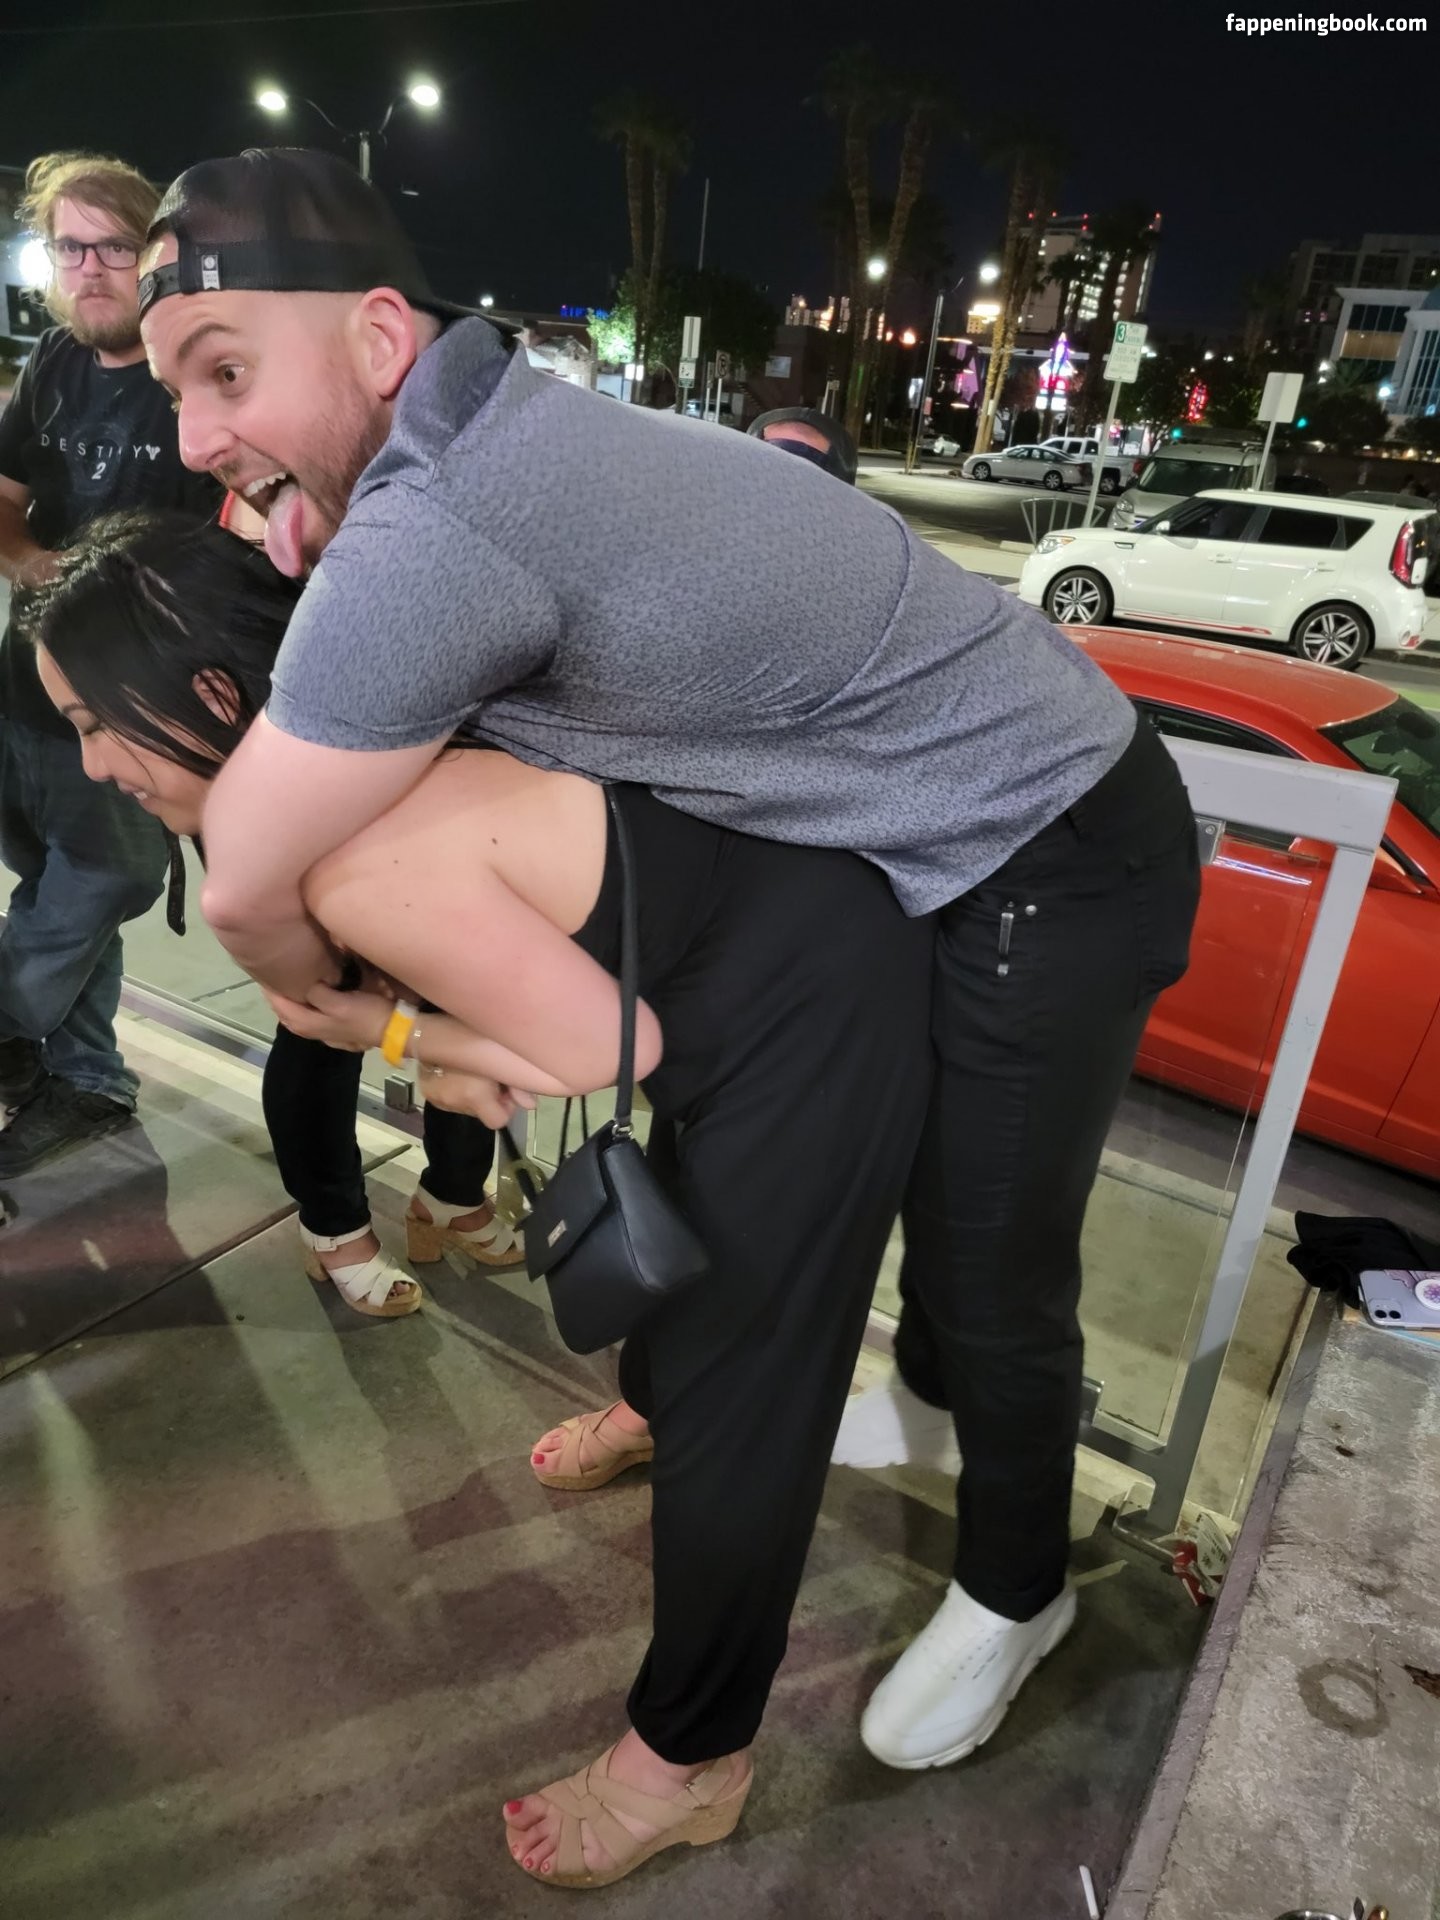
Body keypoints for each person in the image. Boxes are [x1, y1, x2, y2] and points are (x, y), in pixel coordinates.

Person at [139, 150, 1197, 1804]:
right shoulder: (485, 436)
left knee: (993, 1253)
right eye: (173, 393)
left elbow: (249, 879)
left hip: (1052, 841)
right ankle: (923, 1410)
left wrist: (334, 1011)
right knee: (906, 1194)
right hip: (901, 847)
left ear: (378, 338)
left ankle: (1018, 1586)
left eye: (225, 372)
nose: (197, 437)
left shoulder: (447, 514)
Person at [34, 508, 935, 1889]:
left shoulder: (348, 853)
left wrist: (385, 1034)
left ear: (212, 693)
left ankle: (691, 1761)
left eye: (97, 722)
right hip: (737, 982)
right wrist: (443, 1040)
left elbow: (594, 1051)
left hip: (817, 1016)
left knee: (750, 1406)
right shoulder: (364, 744)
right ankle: (653, 1406)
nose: (92, 761)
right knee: (692, 1271)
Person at [215, 492, 522, 1318]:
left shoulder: (440, 496)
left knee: (467, 992)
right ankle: (333, 1225)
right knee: (322, 1015)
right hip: (309, 786)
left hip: (443, 776)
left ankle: (452, 1193)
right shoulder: (270, 505)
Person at [0, 151, 221, 1175]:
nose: (89, 268)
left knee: (102, 879)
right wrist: (38, 567)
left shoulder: (195, 380)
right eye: (69, 248)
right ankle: (87, 1076)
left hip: (134, 711)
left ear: (156, 254)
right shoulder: (53, 363)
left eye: (114, 248)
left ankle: (8, 1030)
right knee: (54, 881)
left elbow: (238, 543)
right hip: (24, 691)